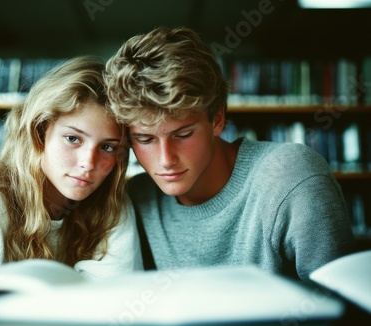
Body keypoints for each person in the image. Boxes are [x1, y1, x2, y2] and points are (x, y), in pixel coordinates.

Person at [104, 26, 355, 282]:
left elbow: (346, 312)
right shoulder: (137, 197)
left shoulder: (290, 176)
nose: (166, 159)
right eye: (145, 139)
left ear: (218, 119)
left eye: (182, 135)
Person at [0, 56, 143, 280]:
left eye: (107, 147)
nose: (88, 163)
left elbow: (113, 304)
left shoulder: (113, 205)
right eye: (73, 139)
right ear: (40, 133)